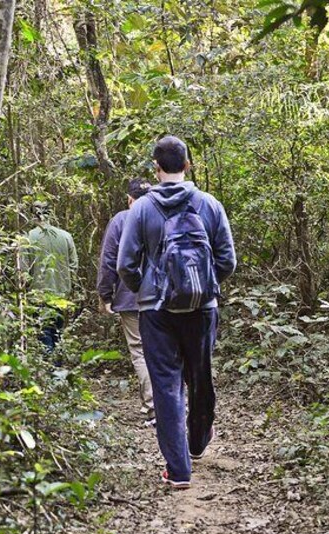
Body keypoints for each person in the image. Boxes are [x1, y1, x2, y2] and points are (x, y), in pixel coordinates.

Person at [117, 136, 236, 489]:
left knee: (167, 384)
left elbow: (126, 264)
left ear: (156, 168)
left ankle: (178, 470)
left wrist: (148, 289)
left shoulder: (141, 208)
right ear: (187, 165)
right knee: (200, 374)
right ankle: (198, 443)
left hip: (157, 311)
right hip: (202, 308)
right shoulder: (209, 204)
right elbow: (227, 260)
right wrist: (204, 285)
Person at [97, 178, 155, 425]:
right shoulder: (161, 217)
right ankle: (168, 403)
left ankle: (153, 406)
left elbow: (109, 259)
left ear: (130, 199)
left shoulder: (121, 220)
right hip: (161, 296)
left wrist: (105, 294)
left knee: (140, 351)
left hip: (131, 296)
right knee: (162, 350)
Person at [23, 203, 78, 354]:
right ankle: (57, 368)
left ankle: (51, 370)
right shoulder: (66, 236)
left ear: (33, 216)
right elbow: (74, 265)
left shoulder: (29, 237)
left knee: (44, 332)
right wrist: (66, 282)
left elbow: (23, 270)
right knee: (57, 331)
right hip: (62, 293)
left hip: (39, 294)